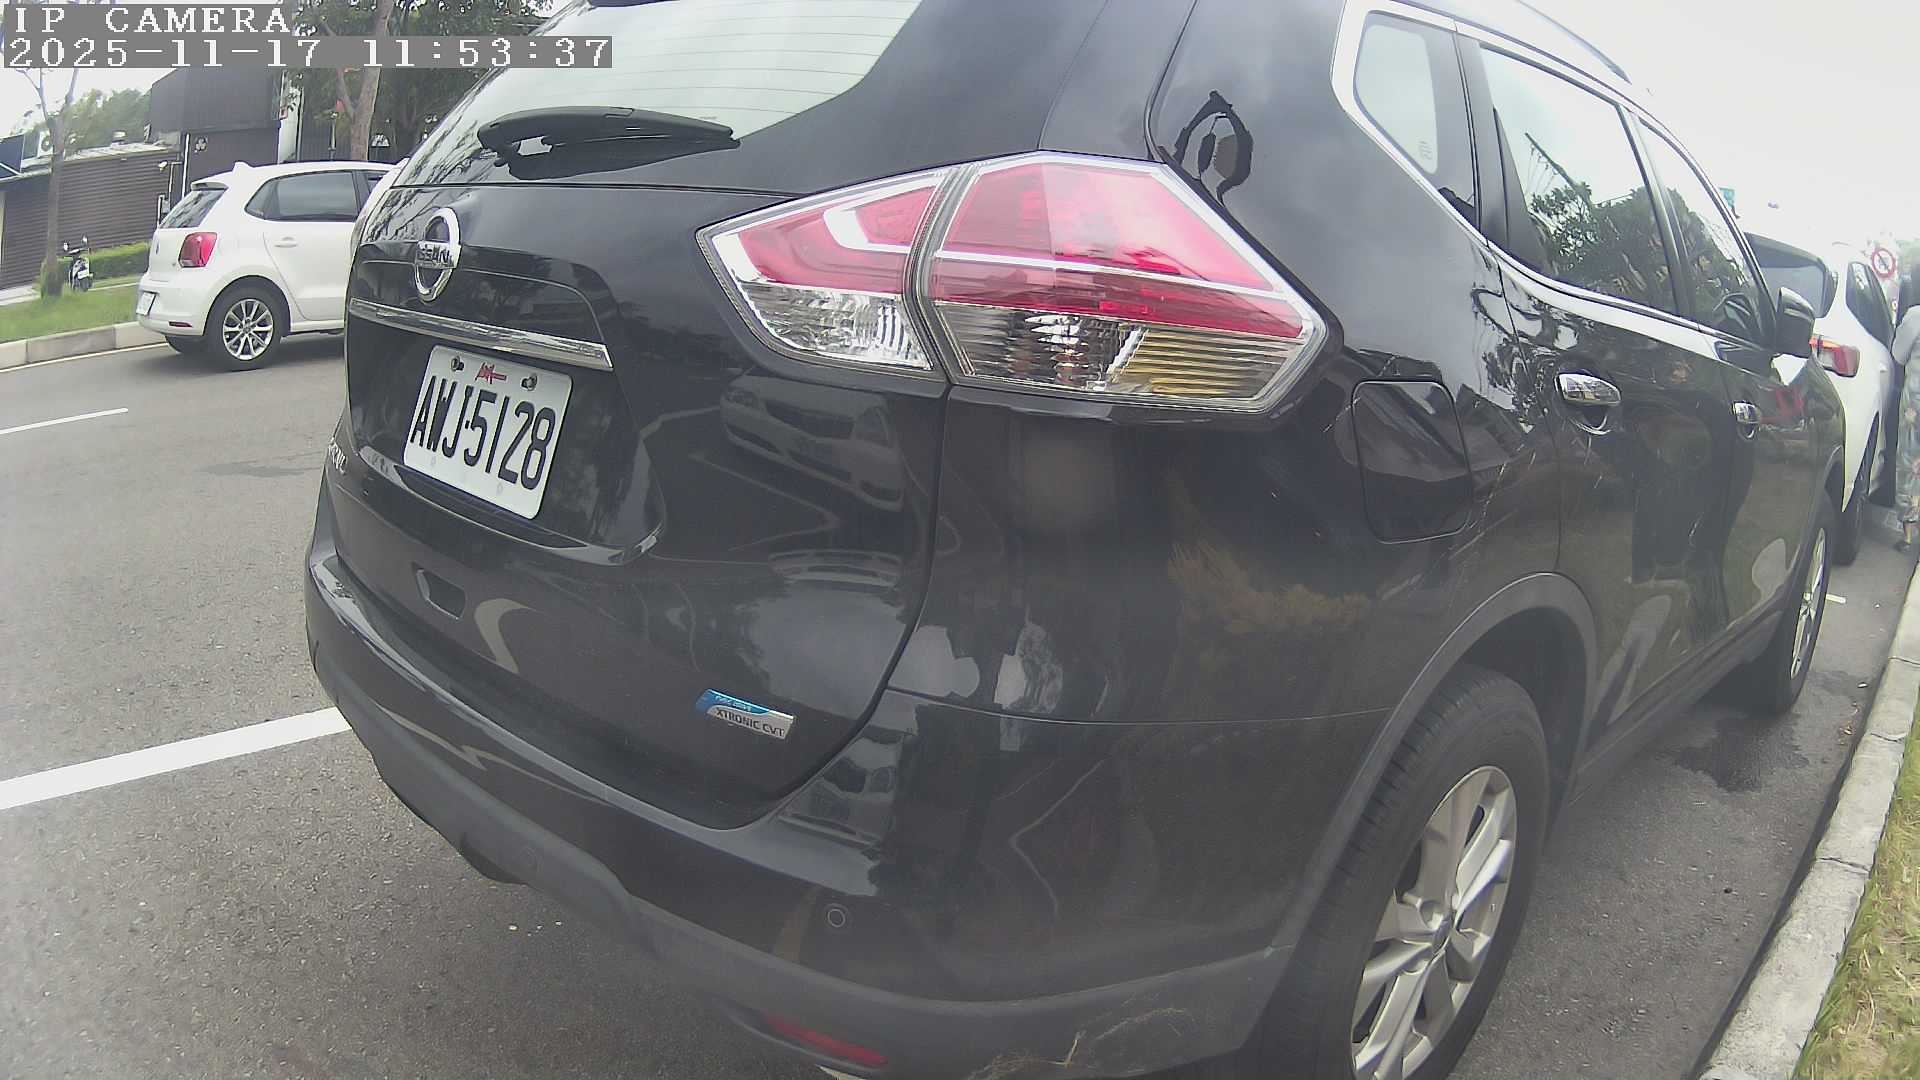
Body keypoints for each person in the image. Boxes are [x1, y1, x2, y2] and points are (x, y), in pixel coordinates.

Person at [1893, 284, 1920, 550]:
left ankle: (1909, 536)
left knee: (1910, 463)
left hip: (1916, 402)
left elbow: (1898, 355)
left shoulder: (1915, 316)